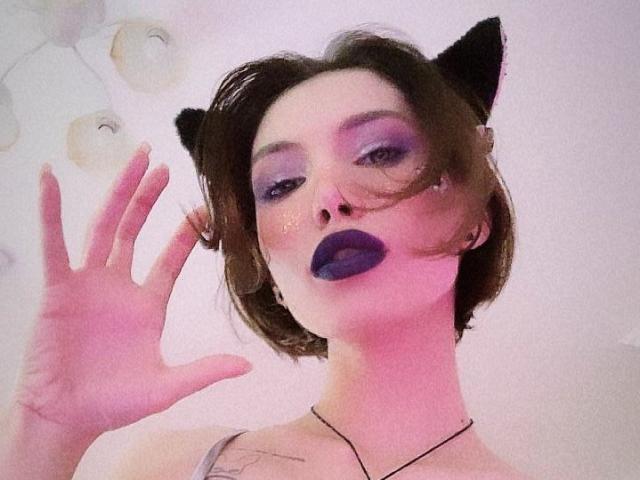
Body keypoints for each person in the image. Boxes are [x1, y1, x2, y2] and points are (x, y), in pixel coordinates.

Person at [0, 16, 533, 479]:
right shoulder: (174, 467)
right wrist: (44, 432)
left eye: (378, 152)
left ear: (474, 218)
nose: (328, 196)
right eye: (281, 185)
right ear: (269, 270)